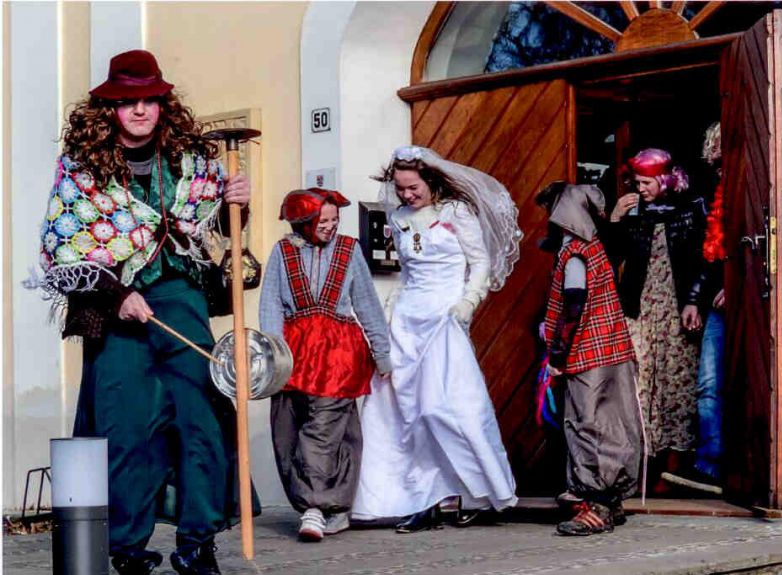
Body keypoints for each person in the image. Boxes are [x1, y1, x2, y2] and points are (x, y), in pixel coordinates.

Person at [33, 50, 251, 575]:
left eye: (149, 100)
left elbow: (218, 225)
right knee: (127, 432)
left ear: (162, 105)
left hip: (179, 298)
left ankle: (197, 549)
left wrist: (238, 203)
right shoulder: (82, 169)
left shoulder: (190, 161)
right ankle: (131, 557)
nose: (139, 110)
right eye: (127, 101)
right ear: (108, 109)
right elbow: (63, 243)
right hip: (115, 306)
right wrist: (116, 294)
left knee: (201, 424)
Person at [351, 145, 521, 532]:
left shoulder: (456, 212)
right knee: (399, 412)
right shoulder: (398, 218)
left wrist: (468, 301)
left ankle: (479, 492)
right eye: (400, 188)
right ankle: (421, 498)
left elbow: (480, 263)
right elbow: (407, 272)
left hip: (444, 319)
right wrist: (391, 309)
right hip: (407, 320)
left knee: (444, 407)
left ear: (430, 180)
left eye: (413, 187)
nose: (407, 194)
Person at [259, 188, 391, 541]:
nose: (331, 226)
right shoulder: (283, 251)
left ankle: (314, 507)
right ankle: (337, 506)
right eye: (324, 221)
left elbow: (366, 302)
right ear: (303, 222)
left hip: (338, 353)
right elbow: (270, 304)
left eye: (335, 219)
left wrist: (382, 353)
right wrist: (272, 355)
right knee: (291, 428)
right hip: (295, 352)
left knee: (322, 427)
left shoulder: (349, 250)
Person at [536, 182, 642, 535]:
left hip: (587, 352)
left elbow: (574, 304)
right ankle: (612, 501)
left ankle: (596, 504)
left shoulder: (574, 255)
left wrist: (558, 352)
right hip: (613, 347)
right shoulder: (595, 246)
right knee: (613, 422)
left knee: (587, 423)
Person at [608, 148, 708, 494]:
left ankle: (673, 468)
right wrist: (616, 219)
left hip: (676, 308)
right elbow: (612, 256)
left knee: (676, 382)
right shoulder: (634, 211)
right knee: (639, 382)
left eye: (646, 182)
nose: (640, 188)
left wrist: (694, 300)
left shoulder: (691, 208)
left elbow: (706, 258)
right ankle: (640, 465)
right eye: (637, 182)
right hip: (640, 308)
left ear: (664, 180)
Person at [689, 123, 727, 494]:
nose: (718, 171)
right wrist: (693, 299)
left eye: (723, 162)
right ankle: (709, 466)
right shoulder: (710, 198)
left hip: (754, 303)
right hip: (717, 306)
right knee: (708, 385)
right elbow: (707, 258)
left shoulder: (753, 189)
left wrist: (739, 285)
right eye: (715, 165)